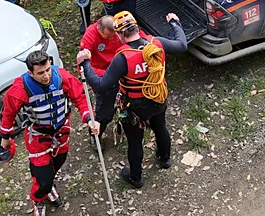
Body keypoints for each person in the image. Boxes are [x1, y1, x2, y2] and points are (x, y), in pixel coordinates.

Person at [76, 11, 187, 188]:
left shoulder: (123, 58)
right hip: (158, 97)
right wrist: (174, 22)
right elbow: (182, 45)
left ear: (119, 34)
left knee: (135, 142)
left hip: (134, 107)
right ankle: (165, 159)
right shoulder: (155, 44)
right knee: (160, 127)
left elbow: (101, 84)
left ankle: (136, 177)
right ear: (136, 27)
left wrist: (85, 63)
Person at [0, 50, 99, 216]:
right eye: (40, 73)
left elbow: (80, 97)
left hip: (61, 131)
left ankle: (49, 185)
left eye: (48, 70)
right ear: (31, 73)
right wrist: (5, 136)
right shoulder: (19, 89)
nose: (46, 76)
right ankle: (38, 199)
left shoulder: (62, 77)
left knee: (58, 163)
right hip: (38, 137)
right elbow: (8, 113)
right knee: (42, 177)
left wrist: (89, 119)